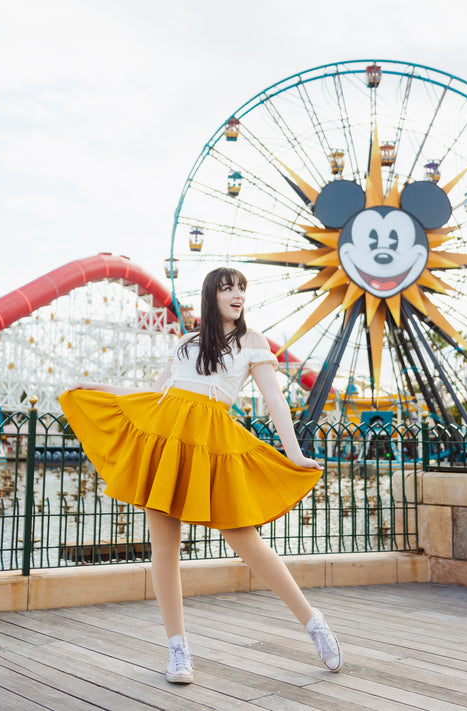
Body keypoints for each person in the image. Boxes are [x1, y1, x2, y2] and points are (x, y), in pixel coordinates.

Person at [60, 267, 343, 684]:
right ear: (212, 295)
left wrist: (296, 453)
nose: (237, 295)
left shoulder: (252, 342)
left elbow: (275, 399)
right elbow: (155, 397)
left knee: (249, 542)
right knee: (164, 549)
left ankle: (313, 622)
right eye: (228, 288)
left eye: (242, 288)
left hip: (212, 443)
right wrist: (100, 387)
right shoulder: (186, 342)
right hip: (167, 439)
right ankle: (178, 650)